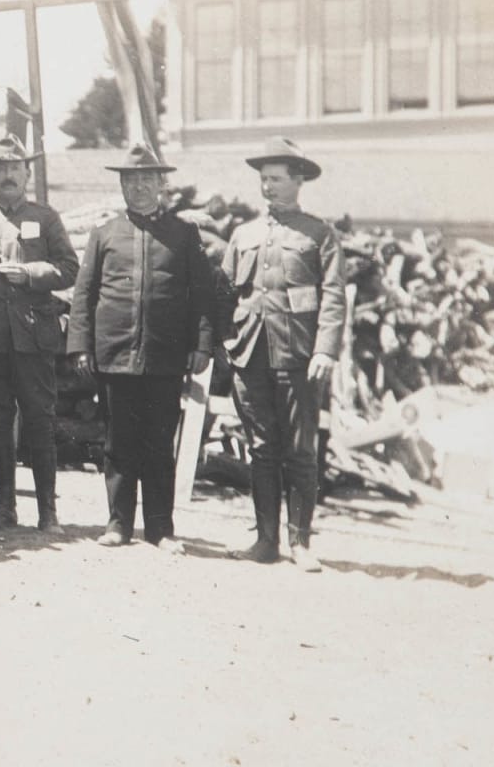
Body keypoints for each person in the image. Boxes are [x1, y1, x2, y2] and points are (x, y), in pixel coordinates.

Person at [67, 143, 213, 555]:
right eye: (131, 180)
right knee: (119, 442)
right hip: (115, 355)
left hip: (165, 357)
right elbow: (85, 294)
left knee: (159, 443)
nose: (140, 188)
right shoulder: (104, 235)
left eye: (147, 180)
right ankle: (118, 524)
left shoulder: (184, 235)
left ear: (161, 185)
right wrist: (80, 345)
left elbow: (201, 294)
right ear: (122, 185)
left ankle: (161, 528)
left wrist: (201, 343)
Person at [219, 137, 346, 572]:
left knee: (301, 451)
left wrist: (325, 350)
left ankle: (301, 542)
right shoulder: (244, 234)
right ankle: (266, 540)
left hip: (297, 356)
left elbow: (332, 297)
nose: (267, 188)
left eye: (275, 179)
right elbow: (224, 293)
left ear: (298, 181)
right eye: (263, 180)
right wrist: (224, 341)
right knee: (261, 449)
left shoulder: (318, 234)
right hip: (250, 353)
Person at [0, 135, 80, 533]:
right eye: (1, 169)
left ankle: (48, 513)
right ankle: (5, 508)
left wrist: (30, 274)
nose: (8, 175)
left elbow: (69, 268)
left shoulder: (46, 218)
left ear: (27, 173)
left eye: (15, 168)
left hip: (32, 337)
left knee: (39, 421)